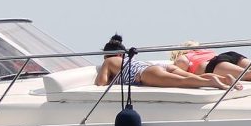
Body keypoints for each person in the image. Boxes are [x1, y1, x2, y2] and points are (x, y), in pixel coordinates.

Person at [95, 35, 231, 90]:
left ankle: (212, 82)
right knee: (193, 77)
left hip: (146, 74)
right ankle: (224, 79)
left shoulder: (110, 61)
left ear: (113, 54)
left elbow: (100, 83)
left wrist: (107, 72)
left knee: (182, 83)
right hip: (159, 68)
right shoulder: (130, 59)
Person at [170, 41, 251, 85]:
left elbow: (179, 71)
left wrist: (174, 68)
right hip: (230, 55)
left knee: (245, 75)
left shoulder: (184, 56)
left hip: (214, 65)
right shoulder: (204, 51)